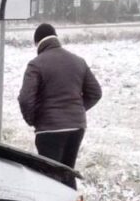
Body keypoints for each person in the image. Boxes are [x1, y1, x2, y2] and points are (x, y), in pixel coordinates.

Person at [17, 23, 102, 173]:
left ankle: (56, 196)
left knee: (50, 178)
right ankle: (74, 197)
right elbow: (95, 92)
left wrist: (34, 119)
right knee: (67, 174)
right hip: (77, 128)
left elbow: (25, 99)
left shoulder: (36, 64)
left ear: (37, 42)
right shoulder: (78, 61)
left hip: (49, 129)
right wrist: (77, 109)